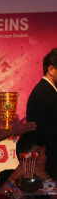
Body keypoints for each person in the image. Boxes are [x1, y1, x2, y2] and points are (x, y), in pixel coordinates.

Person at [0, 132, 51, 199]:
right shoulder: (6, 175)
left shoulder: (48, 178)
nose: (44, 158)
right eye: (38, 153)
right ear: (23, 156)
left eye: (44, 153)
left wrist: (46, 178)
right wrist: (13, 178)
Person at [27, 48, 57, 180]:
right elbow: (43, 133)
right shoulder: (44, 93)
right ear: (51, 69)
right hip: (48, 165)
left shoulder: (48, 91)